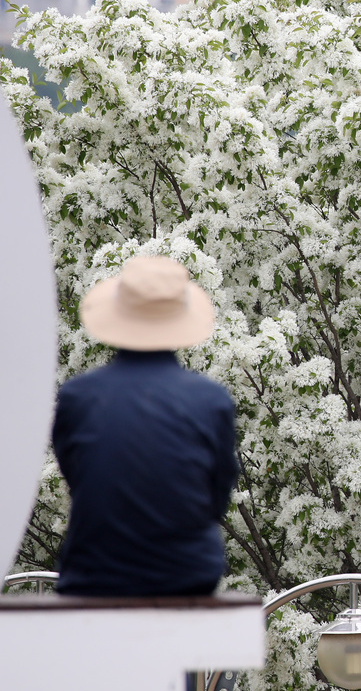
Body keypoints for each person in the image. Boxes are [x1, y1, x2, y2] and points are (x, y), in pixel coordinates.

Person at [52, 255, 238, 597]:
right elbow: (217, 495)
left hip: (94, 575)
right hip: (188, 574)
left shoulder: (79, 396)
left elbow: (79, 478)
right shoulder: (211, 400)